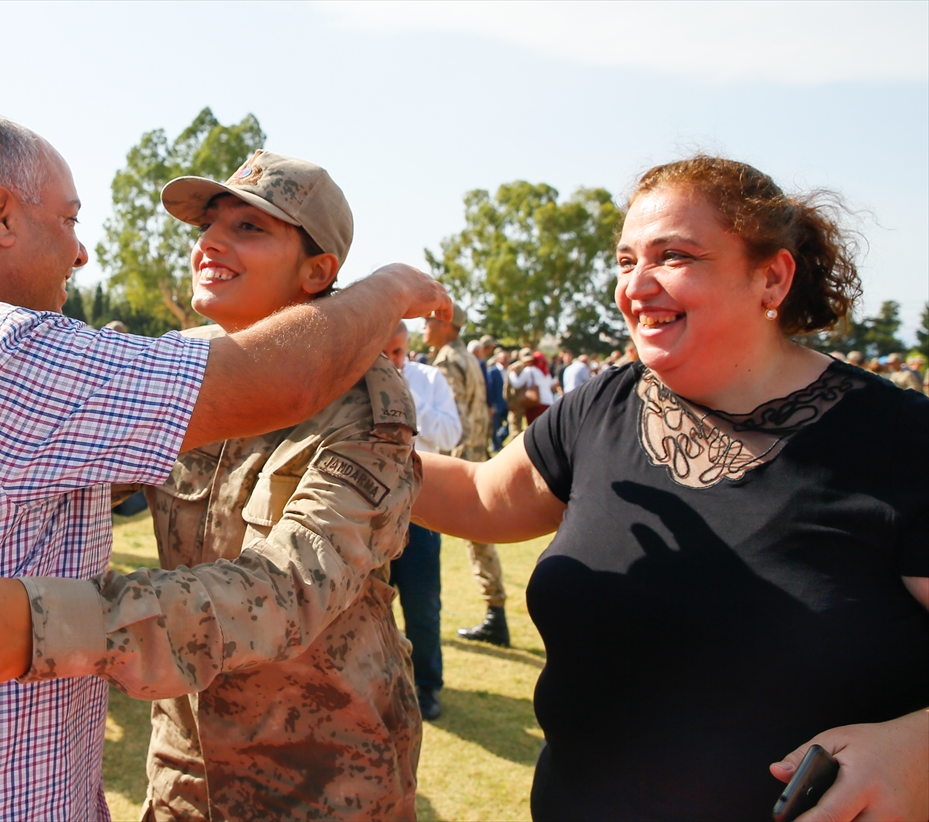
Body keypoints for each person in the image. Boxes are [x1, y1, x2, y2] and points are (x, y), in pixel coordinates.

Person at [0, 115, 449, 820]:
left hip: (319, 784)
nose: (210, 243)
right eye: (211, 225)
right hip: (186, 779)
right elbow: (273, 380)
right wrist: (390, 288)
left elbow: (294, 585)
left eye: (251, 229)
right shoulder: (68, 363)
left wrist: (48, 623)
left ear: (320, 271)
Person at [410, 155, 929, 820]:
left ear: (772, 276)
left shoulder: (899, 440)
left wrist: (915, 752)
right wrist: (322, 436)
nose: (636, 285)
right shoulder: (605, 405)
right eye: (627, 261)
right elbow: (484, 496)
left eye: (673, 256)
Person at [383, 321, 462, 721]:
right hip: (370, 514)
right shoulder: (355, 381)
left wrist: (408, 398)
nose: (392, 361)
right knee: (368, 608)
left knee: (422, 607)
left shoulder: (429, 380)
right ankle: (379, 684)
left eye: (398, 352)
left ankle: (427, 687)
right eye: (384, 352)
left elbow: (450, 434)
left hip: (421, 514)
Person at [425, 304, 510, 647]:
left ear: (447, 324)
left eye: (429, 320)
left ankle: (494, 614)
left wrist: (449, 463)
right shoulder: (468, 357)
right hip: (476, 454)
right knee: (479, 538)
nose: (424, 327)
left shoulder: (447, 359)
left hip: (460, 459)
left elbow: (453, 418)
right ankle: (496, 612)